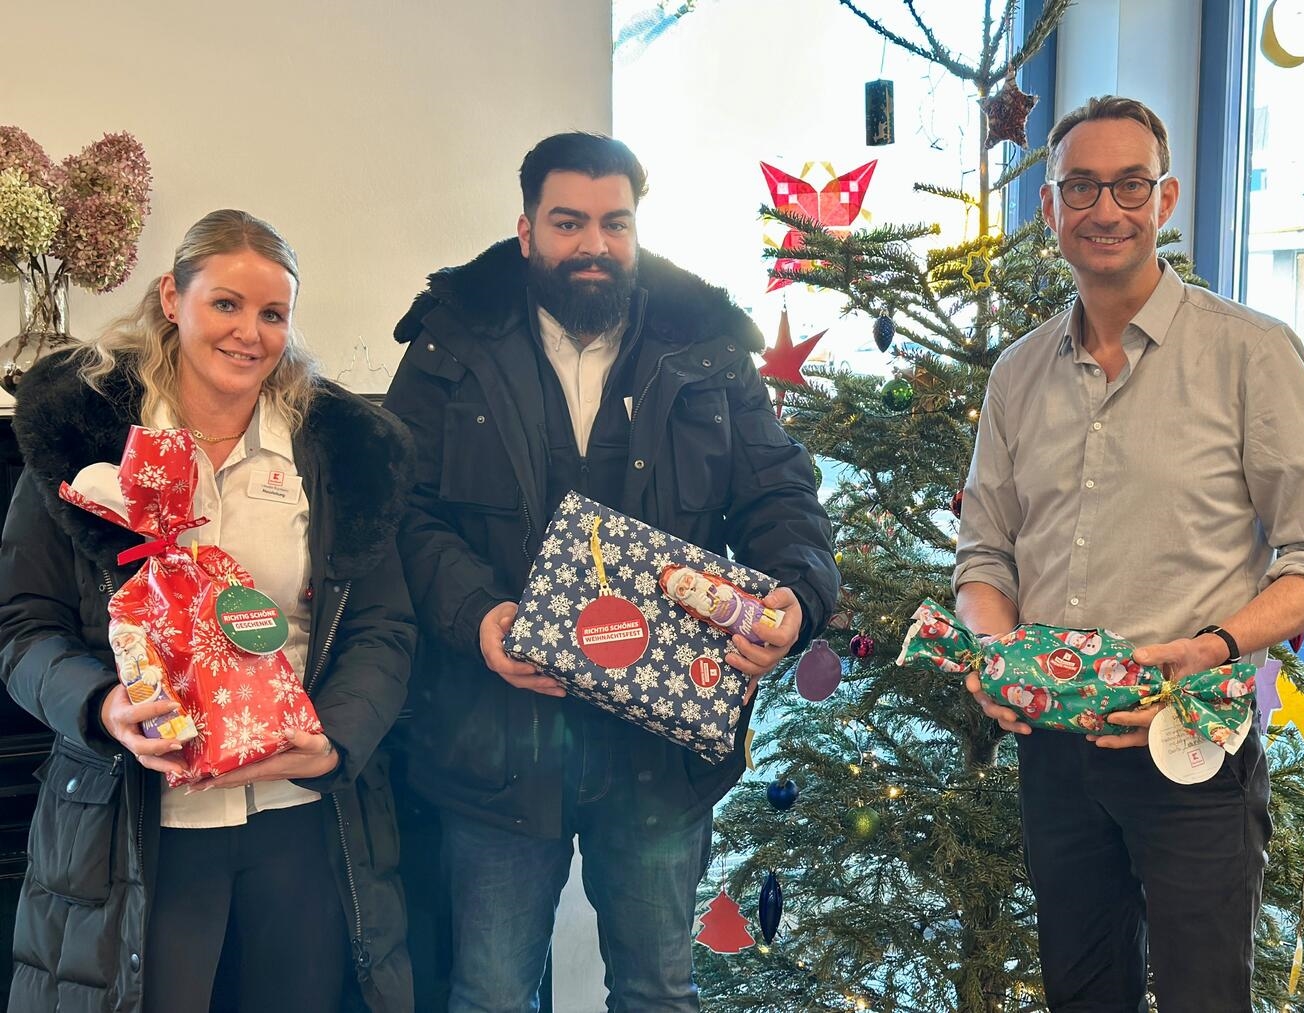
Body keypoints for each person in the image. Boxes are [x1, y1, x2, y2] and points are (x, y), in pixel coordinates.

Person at [384, 132, 838, 1012]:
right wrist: (477, 615)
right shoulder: (449, 343)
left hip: (659, 756)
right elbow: (399, 512)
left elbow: (782, 495)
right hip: (494, 738)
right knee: (487, 993)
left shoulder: (708, 347)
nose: (593, 245)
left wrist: (797, 597)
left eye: (614, 223)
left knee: (658, 992)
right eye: (568, 222)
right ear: (526, 231)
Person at [954, 96, 1304, 1011]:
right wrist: (997, 651)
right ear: (1050, 208)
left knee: (1206, 997)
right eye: (1081, 187)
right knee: (1082, 995)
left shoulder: (1251, 353)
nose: (1105, 209)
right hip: (1056, 748)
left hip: (1194, 742)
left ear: (1163, 199)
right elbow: (985, 556)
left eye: (1129, 184)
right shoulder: (1016, 376)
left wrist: (1212, 646)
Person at [0, 209, 418, 1012]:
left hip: (299, 815)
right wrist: (101, 704)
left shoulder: (335, 456)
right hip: (139, 821)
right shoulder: (80, 443)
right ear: (171, 297)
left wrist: (333, 739)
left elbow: (383, 627)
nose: (249, 334)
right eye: (225, 304)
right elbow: (22, 627)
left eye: (272, 314)